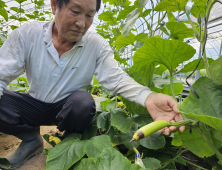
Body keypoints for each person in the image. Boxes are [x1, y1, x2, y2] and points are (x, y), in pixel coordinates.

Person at [0, 0, 185, 169]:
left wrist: (149, 97)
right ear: (55, 5)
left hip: (68, 109)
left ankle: (68, 145)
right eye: (75, 11)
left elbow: (116, 78)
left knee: (83, 102)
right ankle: (31, 140)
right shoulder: (27, 35)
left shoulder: (96, 44)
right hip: (33, 105)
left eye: (89, 15)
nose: (82, 23)